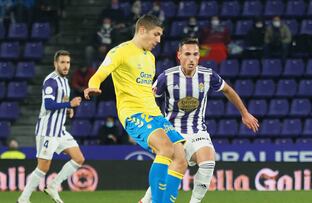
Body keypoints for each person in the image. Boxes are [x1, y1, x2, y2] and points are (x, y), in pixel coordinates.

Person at [140, 38, 259, 203]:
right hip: (172, 132)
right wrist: (153, 127)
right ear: (179, 55)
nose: (192, 58)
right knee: (163, 180)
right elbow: (148, 100)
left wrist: (245, 113)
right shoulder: (166, 77)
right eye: (187, 54)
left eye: (195, 54)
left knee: (208, 161)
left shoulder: (208, 75)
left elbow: (228, 91)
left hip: (197, 130)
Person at [84, 15, 187, 203]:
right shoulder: (120, 52)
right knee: (165, 148)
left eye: (161, 36)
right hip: (133, 113)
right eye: (156, 34)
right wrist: (92, 85)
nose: (159, 40)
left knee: (181, 159)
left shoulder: (151, 57)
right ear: (142, 31)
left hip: (155, 114)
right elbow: (98, 75)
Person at [17, 50, 84, 203]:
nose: (66, 65)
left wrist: (68, 110)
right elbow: (48, 104)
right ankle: (23, 199)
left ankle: (53, 185)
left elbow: (61, 102)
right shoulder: (51, 81)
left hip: (60, 129)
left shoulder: (65, 81)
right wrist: (69, 104)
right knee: (43, 168)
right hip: (47, 130)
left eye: (68, 62)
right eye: (62, 62)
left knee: (79, 158)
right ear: (55, 64)